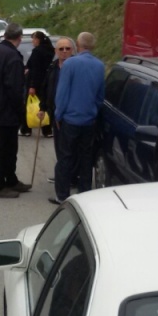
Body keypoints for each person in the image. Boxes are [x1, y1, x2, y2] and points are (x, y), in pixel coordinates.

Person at [51, 32, 105, 205]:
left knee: (66, 157)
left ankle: (62, 194)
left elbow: (62, 93)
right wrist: (93, 111)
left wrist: (58, 114)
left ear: (77, 45)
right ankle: (84, 193)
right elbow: (100, 95)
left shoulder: (70, 64)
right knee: (86, 158)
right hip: (89, 120)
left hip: (70, 119)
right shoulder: (99, 65)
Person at [0, 23, 30, 198]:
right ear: (19, 38)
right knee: (6, 149)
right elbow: (14, 89)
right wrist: (21, 112)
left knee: (10, 147)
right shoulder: (13, 58)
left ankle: (11, 179)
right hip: (8, 109)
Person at [41, 36, 75, 182]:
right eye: (61, 49)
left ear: (72, 50)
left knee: (71, 148)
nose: (64, 51)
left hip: (71, 114)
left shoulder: (76, 67)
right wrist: (42, 108)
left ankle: (71, 176)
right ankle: (63, 174)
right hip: (55, 114)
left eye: (67, 48)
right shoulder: (52, 67)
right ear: (56, 51)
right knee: (59, 147)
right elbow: (45, 88)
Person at [22, 31, 54, 137]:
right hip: (47, 81)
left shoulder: (37, 51)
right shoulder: (50, 50)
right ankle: (47, 130)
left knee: (29, 105)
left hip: (36, 82)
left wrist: (32, 86)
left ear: (38, 39)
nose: (32, 41)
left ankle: (26, 129)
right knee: (44, 105)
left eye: (34, 39)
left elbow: (35, 69)